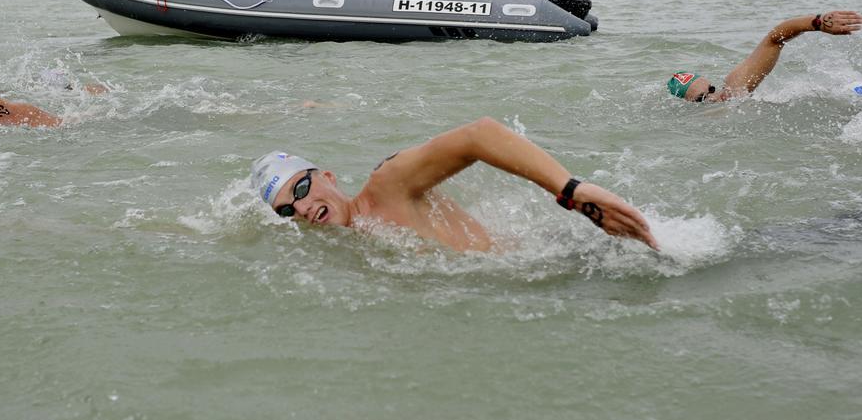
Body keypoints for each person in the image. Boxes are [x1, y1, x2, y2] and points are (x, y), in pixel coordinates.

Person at [252, 117, 659, 253]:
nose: (302, 209)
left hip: (561, 260)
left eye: (301, 190)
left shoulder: (387, 184)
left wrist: (569, 191)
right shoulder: (345, 245)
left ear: (327, 177)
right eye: (287, 210)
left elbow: (478, 136)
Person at [667, 11, 862, 103]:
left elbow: (774, 38)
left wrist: (817, 22)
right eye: (702, 99)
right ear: (687, 105)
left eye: (711, 89)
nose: (713, 97)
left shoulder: (734, 90)